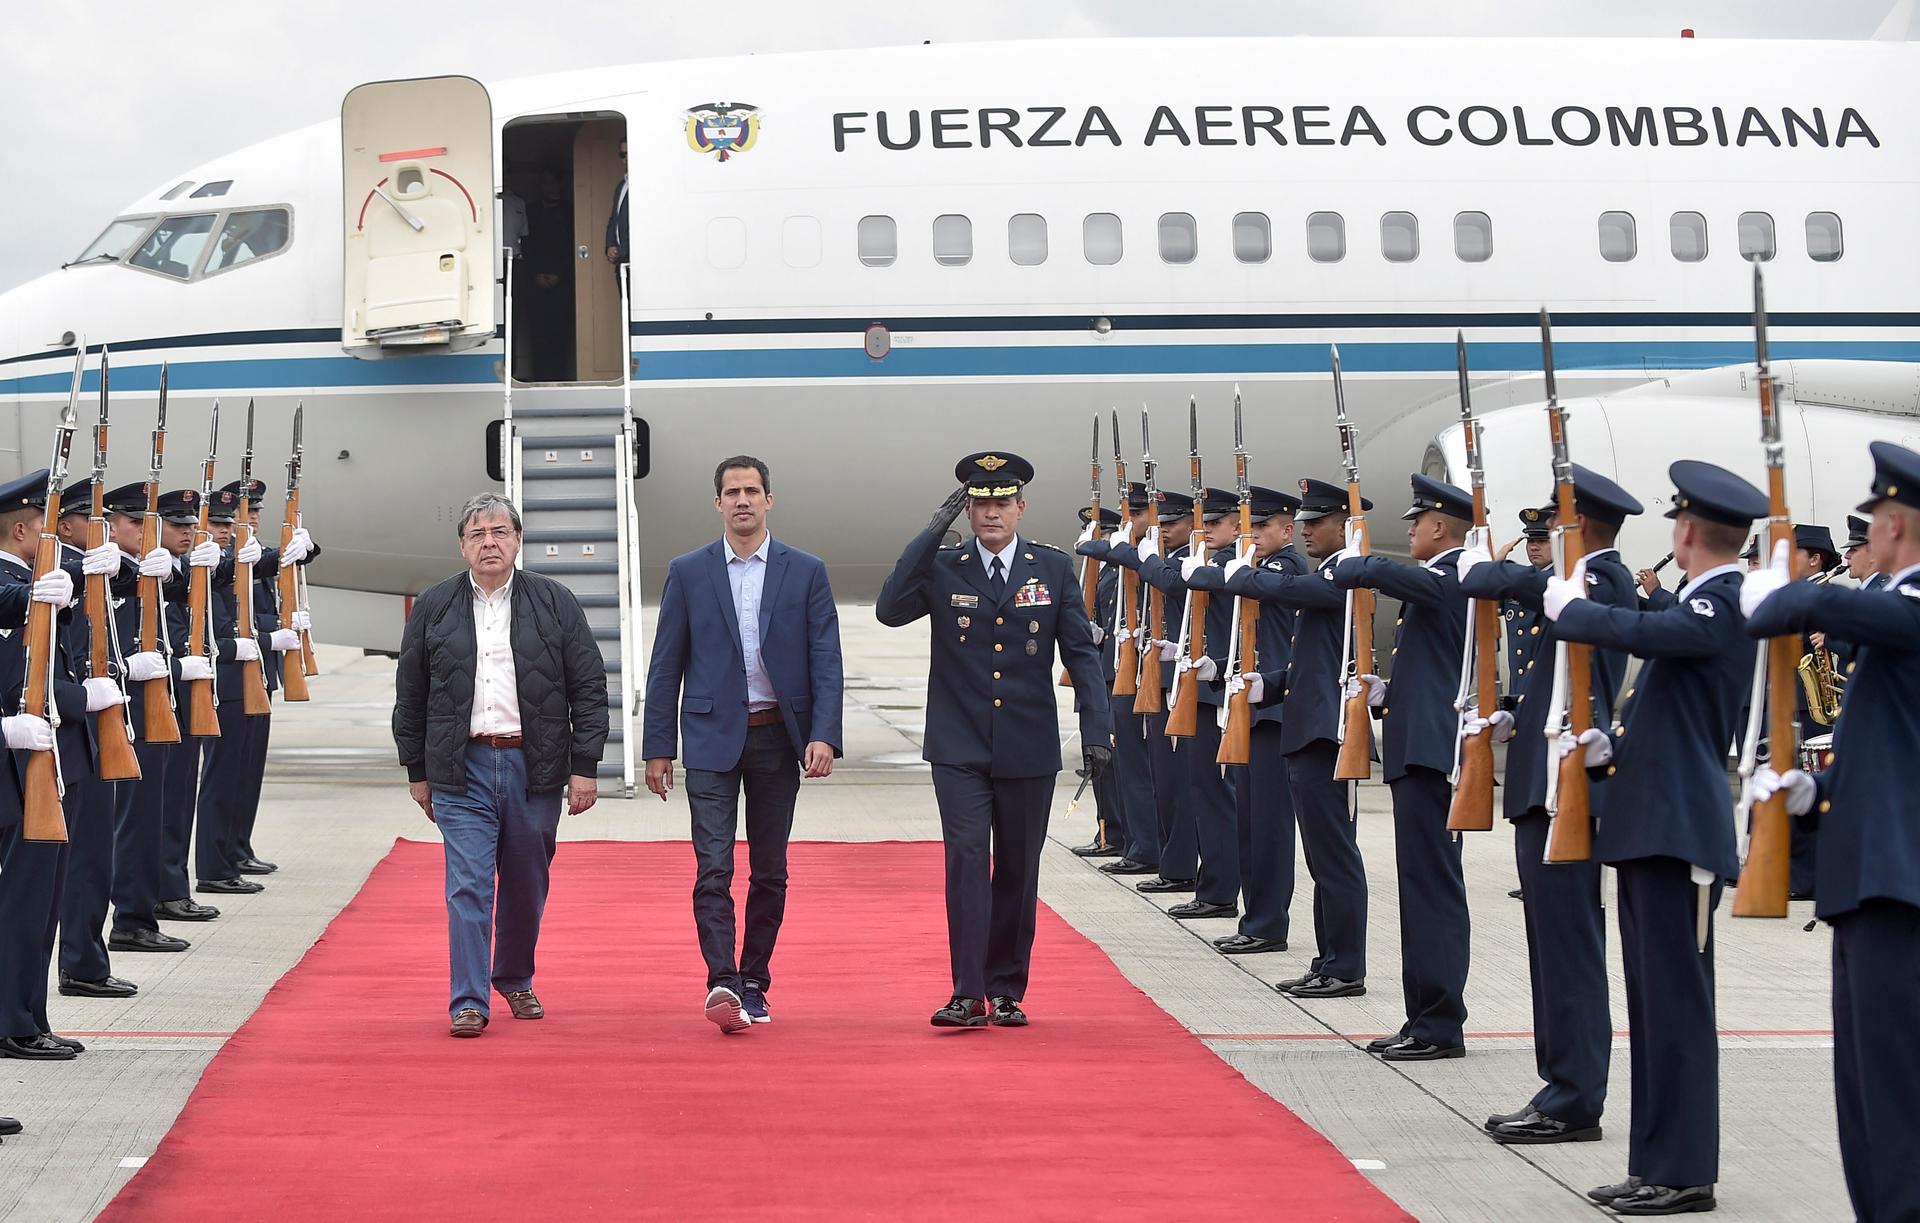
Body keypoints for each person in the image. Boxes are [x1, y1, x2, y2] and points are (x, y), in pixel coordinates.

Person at [1545, 460, 1764, 1217]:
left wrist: (1576, 610)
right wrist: (1614, 748)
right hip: (1652, 825)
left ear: (1686, 530)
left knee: (1675, 1009)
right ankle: (1656, 1164)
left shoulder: (1722, 599)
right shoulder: (1704, 602)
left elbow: (1656, 631)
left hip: (1678, 832)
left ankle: (1682, 1171)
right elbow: (1670, 715)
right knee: (1653, 1006)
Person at [1743, 441, 1920, 1223]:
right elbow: (1888, 741)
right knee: (1865, 1095)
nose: (1866, 536)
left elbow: (1810, 610)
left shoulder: (1905, 606)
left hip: (1897, 885)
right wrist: (1815, 787)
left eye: (1874, 520)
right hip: (1868, 879)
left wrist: (1783, 585)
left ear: (1894, 524)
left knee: (1895, 1094)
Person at [876, 453, 1111, 1028]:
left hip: (1027, 746)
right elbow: (889, 609)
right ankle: (967, 992)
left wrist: (1096, 728)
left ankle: (1005, 987)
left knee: (1017, 869)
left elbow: (1081, 653)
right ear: (967, 511)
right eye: (980, 504)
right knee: (965, 861)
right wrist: (930, 534)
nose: (991, 514)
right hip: (959, 745)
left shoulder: (1051, 568)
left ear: (1020, 508)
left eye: (1002, 503)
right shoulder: (944, 566)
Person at [1458, 467, 1642, 1146]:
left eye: (1558, 524)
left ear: (1580, 526)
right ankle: (1559, 1084)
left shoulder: (1602, 579)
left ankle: (1574, 1095)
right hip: (1544, 786)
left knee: (1569, 946)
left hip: (1568, 792)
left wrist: (1484, 563)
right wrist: (1516, 713)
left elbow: (1502, 585)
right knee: (1551, 945)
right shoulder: (1575, 580)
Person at [392, 493, 607, 1038]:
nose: (489, 542)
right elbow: (410, 694)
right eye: (478, 534)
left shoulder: (554, 602)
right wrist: (417, 771)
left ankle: (514, 976)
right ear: (462, 546)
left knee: (526, 884)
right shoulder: (435, 606)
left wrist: (584, 765)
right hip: (461, 767)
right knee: (467, 884)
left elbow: (588, 687)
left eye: (499, 532)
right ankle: (468, 1000)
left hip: (533, 767)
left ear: (517, 540)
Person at [642, 456, 844, 1033]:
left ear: (769, 500)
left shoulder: (805, 571)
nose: (742, 501)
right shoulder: (689, 571)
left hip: (778, 737)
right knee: (713, 867)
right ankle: (722, 981)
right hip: (711, 739)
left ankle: (755, 981)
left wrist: (824, 734)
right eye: (731, 492)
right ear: (718, 503)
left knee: (770, 871)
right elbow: (666, 664)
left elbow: (826, 659)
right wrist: (659, 746)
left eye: (752, 491)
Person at [1201, 478, 1370, 996]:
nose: (1306, 530)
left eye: (1316, 523)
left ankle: (1344, 965)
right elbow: (1310, 663)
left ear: (1345, 526)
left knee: (1334, 858)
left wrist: (1240, 571)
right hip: (1305, 727)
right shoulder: (1327, 574)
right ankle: (1331, 960)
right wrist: (1269, 684)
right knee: (1322, 857)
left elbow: (1291, 590)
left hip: (1326, 733)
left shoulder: (1343, 575)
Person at [1331, 473, 1471, 1061]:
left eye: (1416, 522)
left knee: (1432, 889)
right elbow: (1437, 665)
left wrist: (1356, 558)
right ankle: (1424, 1017)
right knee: (1420, 889)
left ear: (1440, 527)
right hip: (1419, 748)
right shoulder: (1441, 581)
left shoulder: (1455, 575)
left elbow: (1387, 576)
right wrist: (1389, 691)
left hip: (1432, 756)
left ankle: (1438, 1023)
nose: (1409, 530)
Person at [0, 469, 103, 1061]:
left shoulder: (33, 586)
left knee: (41, 902)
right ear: (22, 531)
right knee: (21, 901)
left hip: (46, 758)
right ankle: (11, 1022)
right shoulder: (14, 588)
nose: (55, 535)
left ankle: (28, 1016)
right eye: (45, 524)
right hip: (13, 765)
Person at [50, 480, 142, 1001]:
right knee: (83, 856)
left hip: (97, 720)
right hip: (70, 723)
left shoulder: (95, 566)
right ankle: (80, 964)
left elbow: (137, 578)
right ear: (64, 527)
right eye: (92, 519)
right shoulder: (59, 571)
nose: (103, 527)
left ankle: (86, 960)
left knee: (95, 855)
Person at [1211, 486, 1304, 954]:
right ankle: (1255, 919)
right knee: (1248, 822)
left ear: (1287, 531)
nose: (1254, 534)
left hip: (1275, 711)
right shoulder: (1258, 568)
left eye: (1263, 526)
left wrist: (1236, 564)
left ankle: (1268, 923)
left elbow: (1256, 586)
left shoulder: (1286, 568)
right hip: (1252, 706)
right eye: (1251, 526)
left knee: (1268, 824)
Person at [100, 484, 191, 956]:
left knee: (150, 815)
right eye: (134, 522)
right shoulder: (103, 573)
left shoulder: (145, 570)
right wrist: (124, 668)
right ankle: (130, 919)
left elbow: (191, 591)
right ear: (110, 526)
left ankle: (141, 913)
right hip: (120, 707)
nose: (143, 530)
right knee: (132, 819)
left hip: (152, 702)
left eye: (147, 522)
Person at [1078, 486, 1163, 880]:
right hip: (1114, 668)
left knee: (1138, 768)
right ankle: (1127, 839)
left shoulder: (1147, 560)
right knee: (1122, 766)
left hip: (1137, 674)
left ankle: (1142, 844)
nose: (1131, 522)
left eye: (1137, 514)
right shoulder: (1119, 565)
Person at [1067, 505, 1125, 858]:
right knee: (1103, 767)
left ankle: (1116, 834)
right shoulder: (1097, 572)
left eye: (1097, 532)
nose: (1090, 537)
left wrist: (1104, 636)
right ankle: (1108, 832)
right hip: (1096, 674)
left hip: (1109, 674)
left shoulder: (1116, 574)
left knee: (1111, 761)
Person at [605, 139, 629, 264]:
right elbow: (614, 219)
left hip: (638, 257)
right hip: (622, 259)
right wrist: (610, 245)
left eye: (629, 153)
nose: (626, 158)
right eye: (622, 154)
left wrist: (622, 250)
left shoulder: (646, 185)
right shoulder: (621, 186)